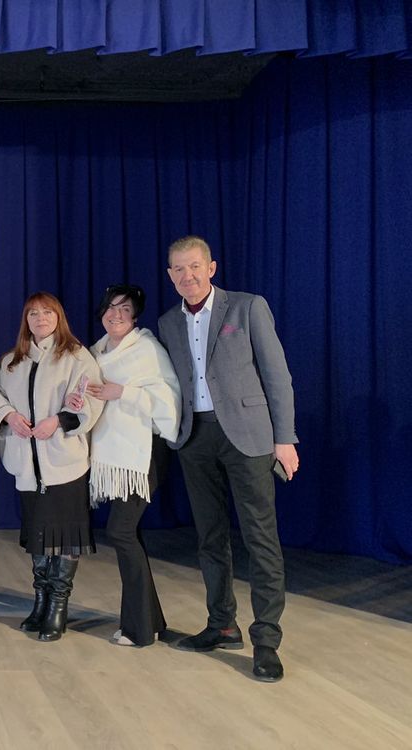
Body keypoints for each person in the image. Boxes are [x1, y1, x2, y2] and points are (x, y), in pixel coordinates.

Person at [158, 235, 299, 683]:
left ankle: (266, 641)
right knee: (210, 536)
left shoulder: (246, 307)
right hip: (195, 437)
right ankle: (222, 624)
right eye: (179, 269)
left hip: (249, 436)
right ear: (170, 275)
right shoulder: (167, 322)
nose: (188, 275)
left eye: (194, 266)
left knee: (260, 537)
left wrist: (285, 438)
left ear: (211, 267)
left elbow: (277, 375)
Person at [67, 284, 180, 647]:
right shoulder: (95, 352)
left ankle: (138, 630)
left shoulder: (147, 350)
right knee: (129, 534)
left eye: (125, 309)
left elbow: (169, 400)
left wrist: (123, 393)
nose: (116, 314)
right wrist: (78, 399)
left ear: (135, 315)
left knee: (121, 532)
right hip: (113, 454)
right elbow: (87, 394)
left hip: (142, 455)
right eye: (111, 308)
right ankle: (151, 621)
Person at [0, 292, 104, 642]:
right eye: (33, 313)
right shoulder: (12, 361)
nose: (40, 319)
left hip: (64, 465)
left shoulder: (76, 356)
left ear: (59, 317)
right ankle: (40, 601)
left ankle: (58, 606)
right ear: (26, 320)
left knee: (65, 538)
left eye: (47, 312)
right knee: (39, 537)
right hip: (28, 466)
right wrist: (9, 416)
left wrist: (59, 421)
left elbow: (90, 399)